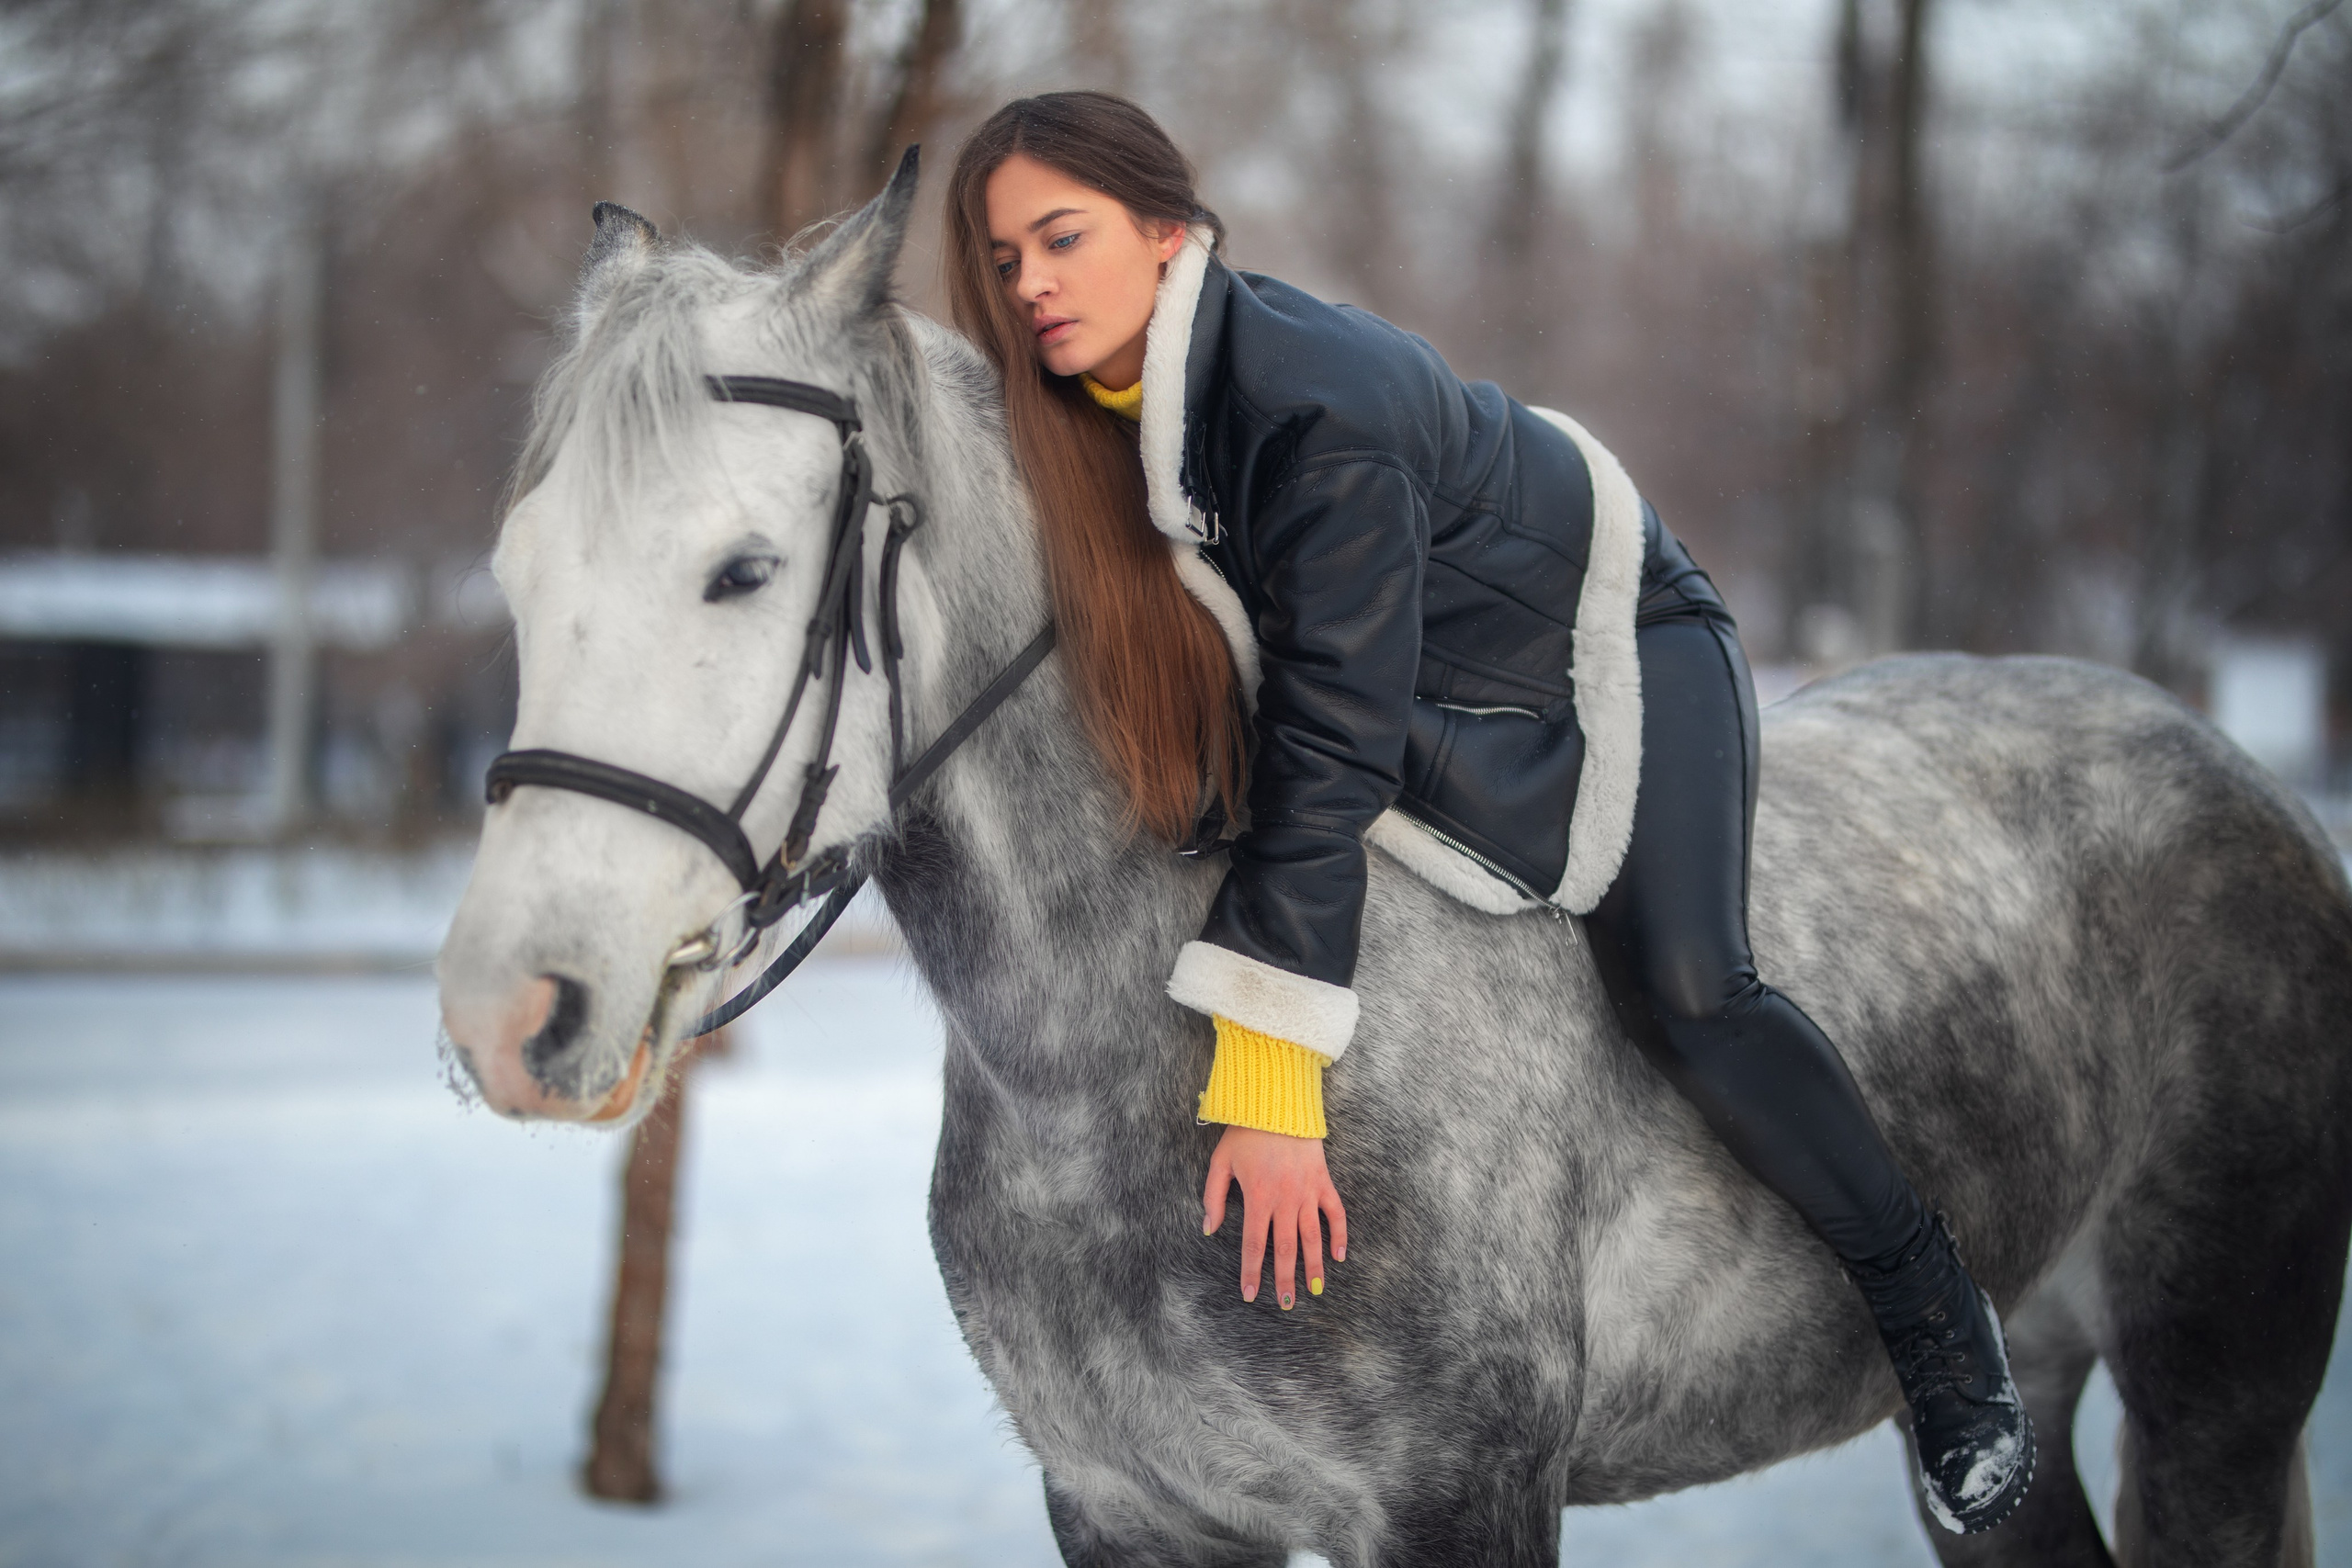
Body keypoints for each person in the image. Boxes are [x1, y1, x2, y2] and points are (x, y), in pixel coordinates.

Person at [942, 90, 2033, 1534]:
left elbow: (1328, 738)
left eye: (1059, 238)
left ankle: (1940, 1324)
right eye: (1002, 257)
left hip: (1607, 641)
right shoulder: (1086, 415)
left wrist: (1271, 1084)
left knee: (1692, 987)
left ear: (1166, 229)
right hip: (1415, 700)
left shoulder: (1309, 403)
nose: (1028, 285)